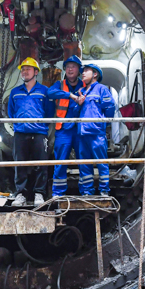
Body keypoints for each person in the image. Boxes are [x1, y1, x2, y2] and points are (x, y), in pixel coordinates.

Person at [6, 57, 53, 206]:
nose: (24, 72)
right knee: (20, 164)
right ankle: (21, 194)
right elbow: (11, 112)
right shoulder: (15, 92)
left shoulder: (44, 91)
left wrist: (40, 126)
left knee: (41, 164)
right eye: (23, 69)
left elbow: (49, 112)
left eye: (28, 69)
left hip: (39, 133)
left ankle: (39, 193)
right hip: (20, 133)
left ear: (36, 72)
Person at [45, 55, 84, 197]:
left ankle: (86, 192)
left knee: (84, 161)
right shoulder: (60, 85)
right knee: (60, 162)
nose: (70, 69)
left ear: (79, 70)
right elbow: (50, 92)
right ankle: (58, 193)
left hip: (81, 130)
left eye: (73, 67)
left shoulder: (85, 85)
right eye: (68, 67)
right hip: (63, 130)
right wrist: (70, 95)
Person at [75, 63, 116, 196]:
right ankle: (87, 191)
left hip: (96, 133)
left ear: (95, 74)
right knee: (84, 164)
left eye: (86, 70)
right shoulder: (81, 91)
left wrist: (102, 124)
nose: (83, 73)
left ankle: (104, 190)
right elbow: (75, 111)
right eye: (83, 71)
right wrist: (79, 103)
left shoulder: (101, 89)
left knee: (101, 162)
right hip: (82, 134)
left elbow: (110, 108)